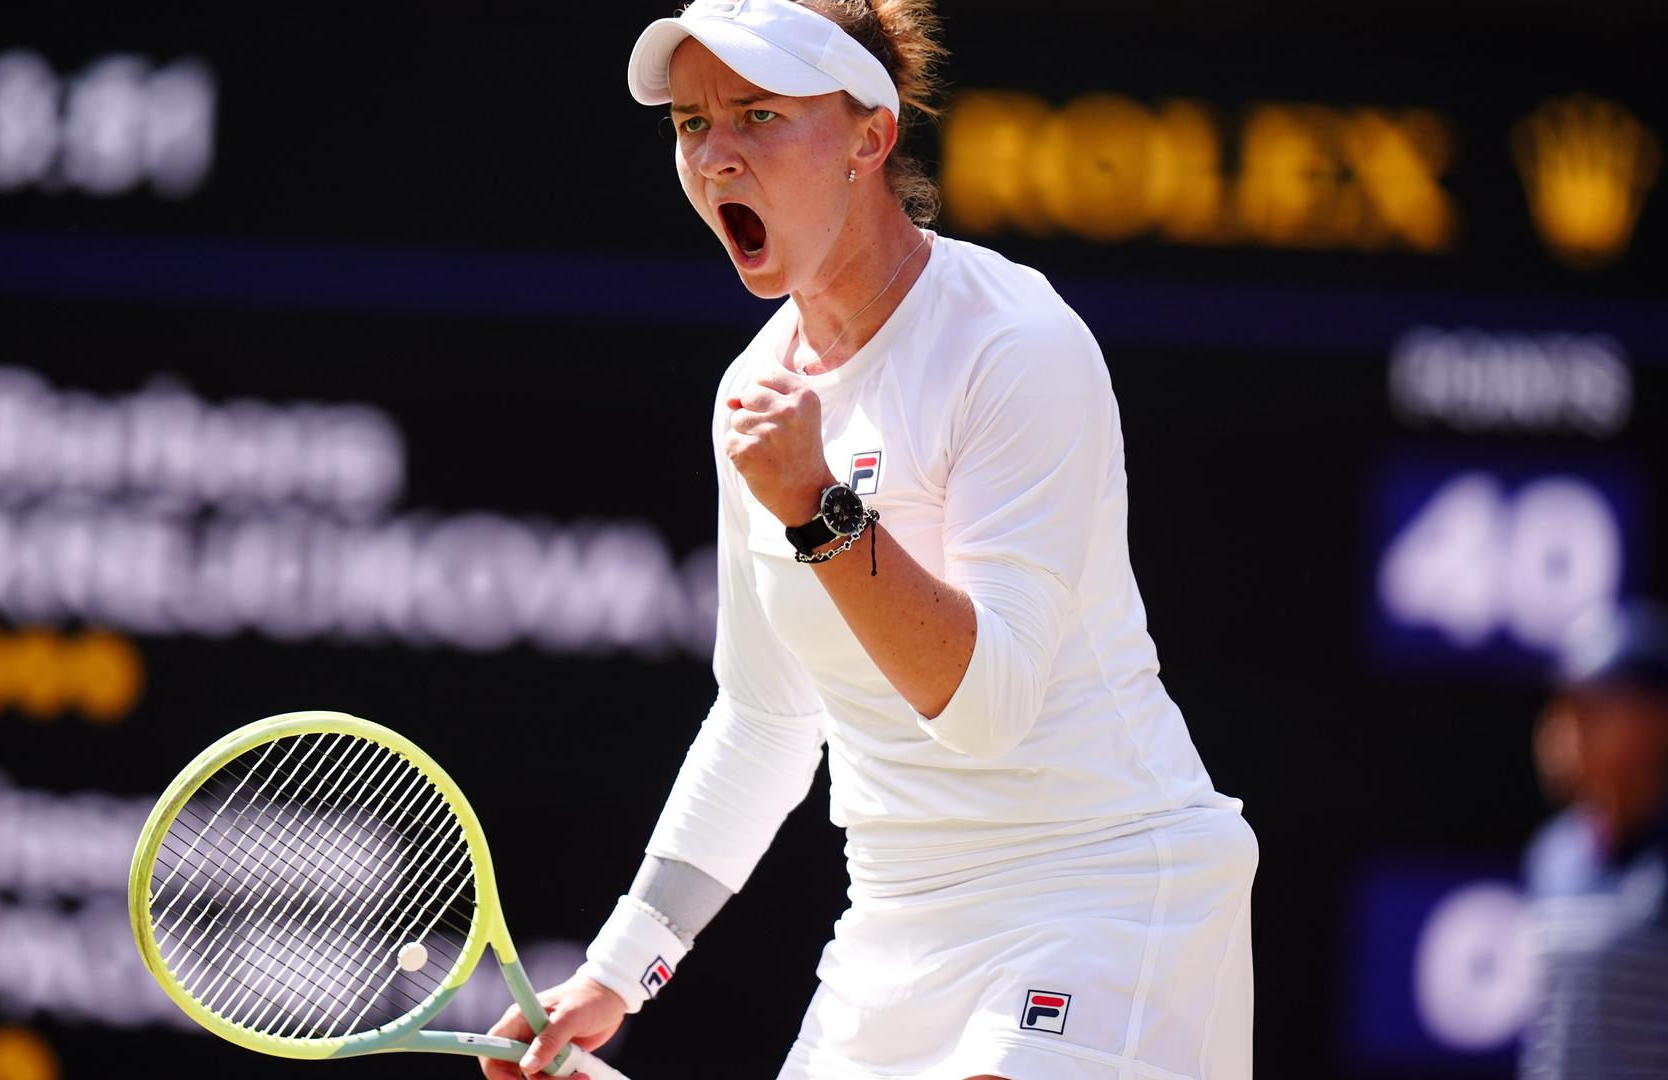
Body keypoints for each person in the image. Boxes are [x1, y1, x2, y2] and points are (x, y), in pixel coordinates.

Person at [482, 2, 1257, 1077]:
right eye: (693, 125)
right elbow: (764, 717)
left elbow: (987, 709)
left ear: (870, 137)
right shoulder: (751, 396)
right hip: (896, 928)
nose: (717, 156)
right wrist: (619, 966)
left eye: (758, 114)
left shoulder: (1015, 343)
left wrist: (818, 503)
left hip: (1105, 892)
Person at [1520, 599, 1668, 1078]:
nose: (1571, 725)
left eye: (1597, 704)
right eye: (1567, 705)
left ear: (1657, 719)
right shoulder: (1551, 858)